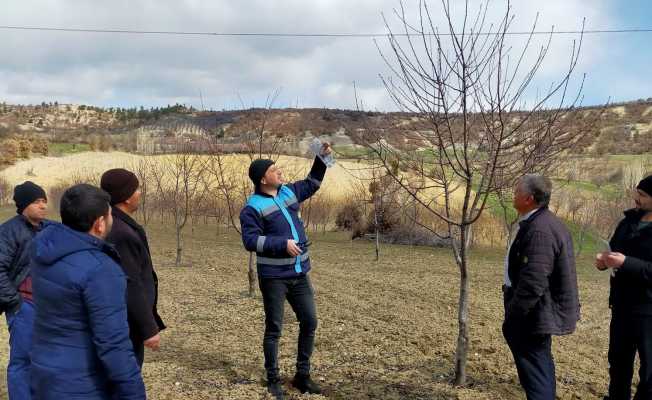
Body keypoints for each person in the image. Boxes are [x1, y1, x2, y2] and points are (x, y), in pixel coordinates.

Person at [30, 184, 145, 400]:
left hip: (44, 371)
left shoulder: (43, 247)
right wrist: (133, 393)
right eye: (110, 214)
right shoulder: (101, 270)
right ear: (100, 224)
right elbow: (113, 344)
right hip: (81, 383)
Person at [239, 144, 331, 399]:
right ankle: (273, 379)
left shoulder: (288, 192)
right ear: (262, 178)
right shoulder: (252, 207)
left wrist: (321, 158)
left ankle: (302, 375)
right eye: (273, 170)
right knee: (274, 328)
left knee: (310, 321)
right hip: (273, 278)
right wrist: (282, 244)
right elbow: (250, 241)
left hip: (299, 273)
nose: (279, 172)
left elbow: (312, 183)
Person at [502, 174, 580, 400]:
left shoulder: (540, 231)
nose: (513, 195)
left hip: (533, 314)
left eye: (516, 192)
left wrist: (515, 315)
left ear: (528, 199)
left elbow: (533, 281)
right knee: (538, 366)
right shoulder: (540, 222)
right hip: (535, 312)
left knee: (536, 371)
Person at [101, 168, 165, 367]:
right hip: (125, 323)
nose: (140, 193)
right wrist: (148, 328)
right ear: (126, 197)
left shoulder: (117, 224)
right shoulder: (120, 232)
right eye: (137, 189)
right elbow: (130, 283)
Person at [596, 174, 652, 400]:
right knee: (618, 365)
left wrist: (626, 263)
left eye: (643, 195)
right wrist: (604, 261)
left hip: (648, 310)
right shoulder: (627, 222)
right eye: (637, 192)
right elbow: (613, 250)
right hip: (621, 306)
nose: (636, 198)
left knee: (649, 371)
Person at [0, 181, 49, 400]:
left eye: (44, 201)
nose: (43, 206)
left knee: (46, 358)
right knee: (22, 361)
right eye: (37, 201)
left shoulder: (50, 229)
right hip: (24, 306)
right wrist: (14, 302)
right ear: (23, 205)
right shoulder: (9, 231)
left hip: (48, 306)